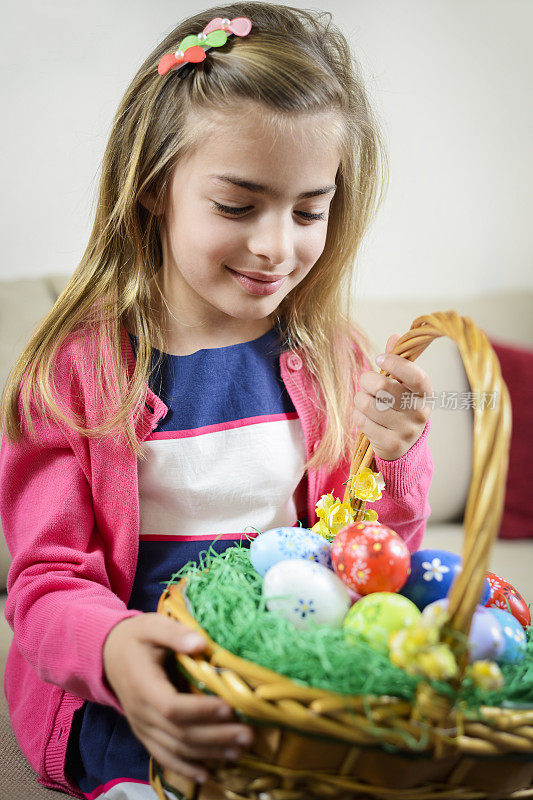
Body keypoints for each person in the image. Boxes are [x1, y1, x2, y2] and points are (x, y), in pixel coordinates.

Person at [0, 3, 434, 799]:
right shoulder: (75, 375)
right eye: (238, 206)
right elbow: (46, 581)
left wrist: (397, 458)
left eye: (309, 209)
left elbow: (369, 559)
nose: (277, 246)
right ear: (155, 188)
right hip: (130, 683)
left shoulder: (334, 358)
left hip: (280, 677)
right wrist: (117, 650)